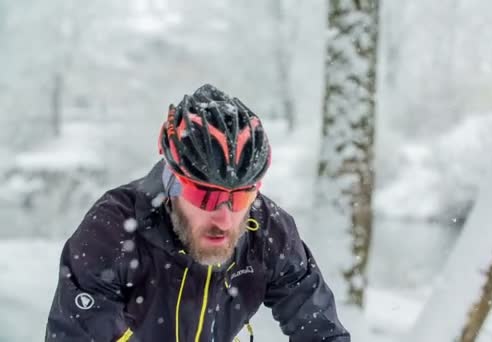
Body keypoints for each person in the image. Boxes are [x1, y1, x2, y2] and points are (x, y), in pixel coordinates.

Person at [45, 84, 350, 342]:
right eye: (204, 196)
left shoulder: (269, 232)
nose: (224, 218)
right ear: (172, 183)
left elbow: (322, 332)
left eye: (242, 197)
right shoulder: (111, 233)